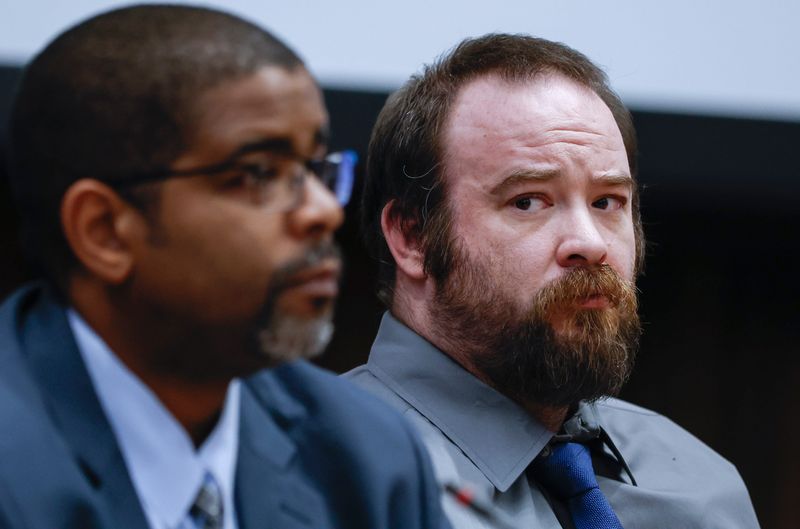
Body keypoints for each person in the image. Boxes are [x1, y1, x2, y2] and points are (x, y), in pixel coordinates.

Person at [0, 5, 449, 529]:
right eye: (259, 173)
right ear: (103, 231)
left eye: (314, 169)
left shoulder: (369, 455)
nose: (325, 210)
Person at [347, 33, 760, 529]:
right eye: (528, 201)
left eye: (607, 202)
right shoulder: (313, 473)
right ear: (413, 237)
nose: (590, 243)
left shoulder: (700, 485)